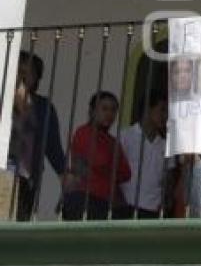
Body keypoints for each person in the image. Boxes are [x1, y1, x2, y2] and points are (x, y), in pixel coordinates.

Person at [8, 51, 65, 221]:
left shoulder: (43, 106)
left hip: (28, 176)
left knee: (19, 224)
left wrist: (64, 175)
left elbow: (53, 146)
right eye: (19, 71)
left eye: (28, 72)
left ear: (37, 77)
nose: (22, 76)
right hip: (5, 170)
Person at [62, 91, 130, 220]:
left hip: (106, 203)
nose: (109, 114)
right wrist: (110, 165)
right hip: (83, 200)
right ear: (92, 111)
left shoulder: (112, 141)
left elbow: (126, 173)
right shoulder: (83, 132)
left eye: (113, 110)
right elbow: (100, 160)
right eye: (104, 109)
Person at [119, 94, 169, 218]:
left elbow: (168, 178)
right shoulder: (125, 137)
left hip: (154, 210)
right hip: (126, 206)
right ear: (147, 110)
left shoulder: (166, 145)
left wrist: (165, 202)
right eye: (162, 110)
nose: (166, 116)